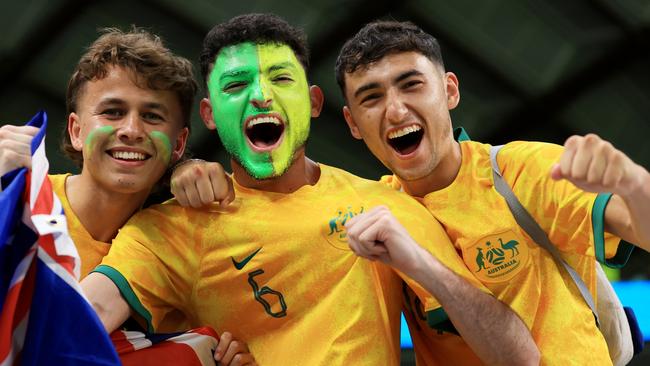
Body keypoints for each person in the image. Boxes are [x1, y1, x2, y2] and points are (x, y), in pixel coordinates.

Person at [80, 14, 539, 366]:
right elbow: (74, 320)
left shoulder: (386, 206)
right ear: (208, 114)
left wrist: (418, 262)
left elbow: (519, 356)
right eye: (236, 85)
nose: (261, 97)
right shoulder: (170, 229)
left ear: (314, 103)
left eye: (281, 79)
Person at [334, 20, 650, 365]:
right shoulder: (364, 218)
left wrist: (633, 183)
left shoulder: (522, 171)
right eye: (372, 97)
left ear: (450, 91)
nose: (395, 110)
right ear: (352, 123)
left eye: (411, 85)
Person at [0, 28, 247, 364]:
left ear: (178, 144)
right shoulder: (19, 205)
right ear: (76, 130)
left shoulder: (185, 248)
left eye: (152, 116)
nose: (131, 130)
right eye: (113, 112)